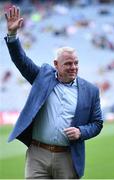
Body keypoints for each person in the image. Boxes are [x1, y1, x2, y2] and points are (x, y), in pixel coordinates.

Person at [4, 5, 103, 179]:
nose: (73, 67)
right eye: (68, 64)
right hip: (38, 154)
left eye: (76, 63)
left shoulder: (90, 91)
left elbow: (97, 124)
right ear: (56, 64)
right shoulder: (43, 76)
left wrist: (81, 131)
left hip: (67, 156)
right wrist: (12, 36)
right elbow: (21, 61)